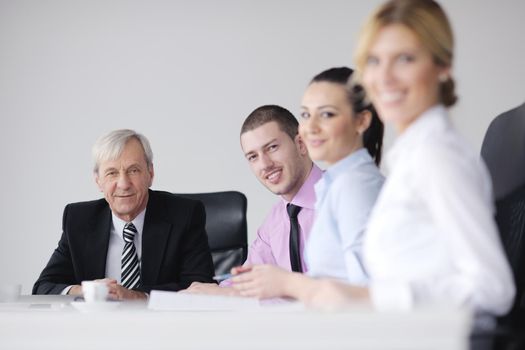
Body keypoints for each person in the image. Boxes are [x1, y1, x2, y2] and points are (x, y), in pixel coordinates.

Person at [300, 0, 515, 315]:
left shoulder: (437, 157)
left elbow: (493, 289)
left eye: (404, 59)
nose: (384, 77)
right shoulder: (410, 157)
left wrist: (368, 298)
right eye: (373, 61)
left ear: (442, 66)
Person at [230, 67, 384, 300]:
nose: (310, 127)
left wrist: (286, 284)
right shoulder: (329, 189)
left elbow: (369, 291)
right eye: (305, 115)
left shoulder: (356, 187)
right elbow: (248, 281)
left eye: (327, 114)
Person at [33, 129, 215, 300]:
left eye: (133, 170)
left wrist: (136, 297)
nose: (123, 183)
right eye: (112, 173)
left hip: (163, 328)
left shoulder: (184, 215)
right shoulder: (79, 220)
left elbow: (200, 287)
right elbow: (43, 287)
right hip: (95, 329)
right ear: (98, 181)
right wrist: (85, 290)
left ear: (150, 174)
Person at [187, 105, 321, 295]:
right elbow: (249, 281)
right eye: (253, 157)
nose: (265, 164)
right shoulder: (274, 221)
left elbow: (342, 286)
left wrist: (233, 294)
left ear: (301, 144)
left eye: (272, 147)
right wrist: (209, 293)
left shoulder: (343, 198)